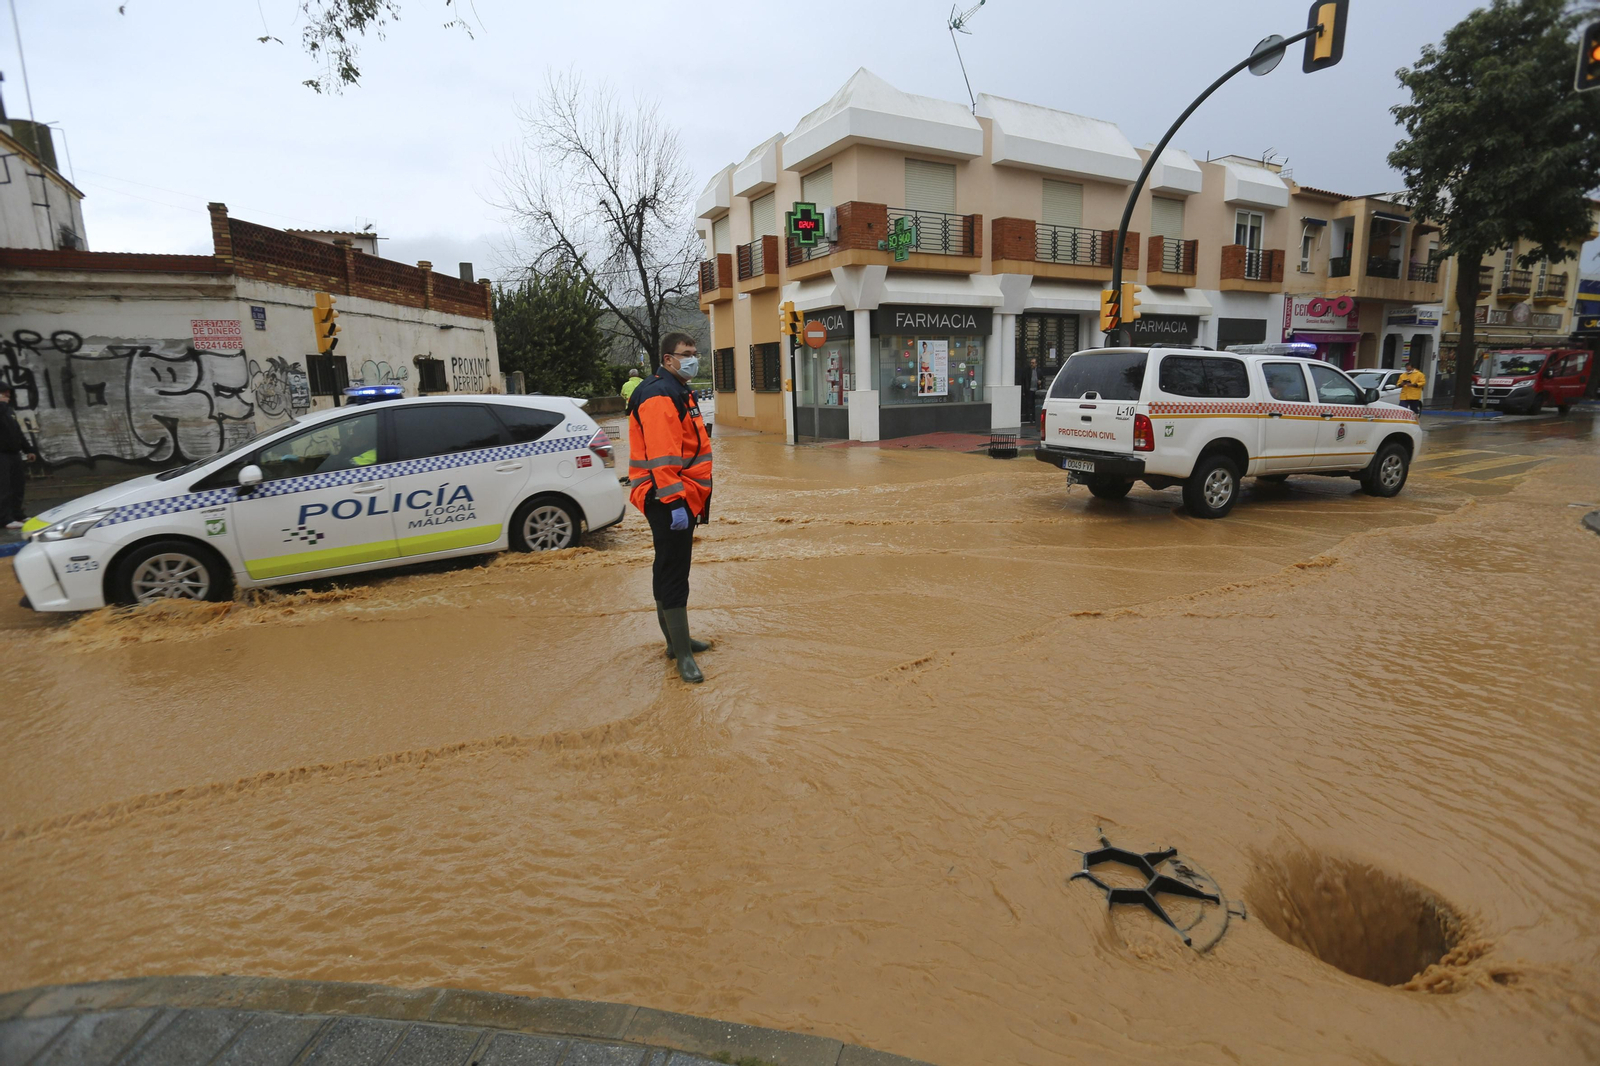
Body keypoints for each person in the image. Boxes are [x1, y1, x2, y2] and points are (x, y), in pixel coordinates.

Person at [627, 334, 713, 683]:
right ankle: (683, 656)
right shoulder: (661, 396)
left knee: (666, 565)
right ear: (668, 358)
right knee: (674, 570)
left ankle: (675, 642)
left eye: (695, 353)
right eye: (687, 355)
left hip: (673, 495)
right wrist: (675, 502)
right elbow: (663, 458)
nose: (694, 359)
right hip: (667, 497)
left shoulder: (674, 389)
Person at [0, 382, 37, 530]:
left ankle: (17, 514)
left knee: (17, 485)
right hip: (1, 454)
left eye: (8, 394)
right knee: (4, 487)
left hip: (13, 453)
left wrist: (28, 449)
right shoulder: (3, 409)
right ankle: (4, 518)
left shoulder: (9, 411)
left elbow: (17, 432)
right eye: (4, 394)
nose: (7, 397)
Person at [1022, 357, 1043, 424]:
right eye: (1031, 363)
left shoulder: (1038, 371)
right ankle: (1030, 417)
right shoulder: (1028, 371)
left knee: (1036, 404)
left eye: (1033, 363)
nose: (1032, 364)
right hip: (1030, 389)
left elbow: (1042, 378)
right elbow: (1025, 380)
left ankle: (1035, 417)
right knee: (1029, 404)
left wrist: (1040, 382)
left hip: (1036, 390)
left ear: (1036, 364)